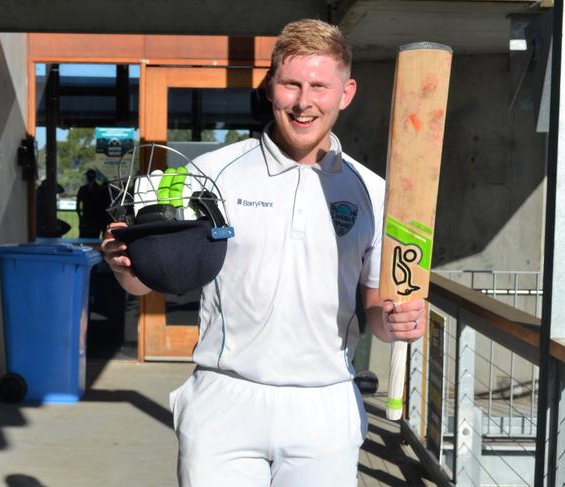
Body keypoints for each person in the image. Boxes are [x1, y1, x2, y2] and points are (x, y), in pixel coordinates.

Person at [102, 18, 426, 487]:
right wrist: (123, 266)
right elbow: (148, 276)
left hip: (324, 404)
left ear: (346, 92)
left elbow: (375, 306)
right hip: (227, 396)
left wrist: (395, 322)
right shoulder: (207, 174)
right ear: (271, 86)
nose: (303, 102)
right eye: (290, 84)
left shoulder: (374, 193)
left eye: (319, 85)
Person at [76, 168, 109, 238]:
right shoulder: (99, 189)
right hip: (88, 219)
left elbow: (78, 205)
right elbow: (78, 205)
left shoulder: (99, 189)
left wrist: (80, 218)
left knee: (89, 238)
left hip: (93, 220)